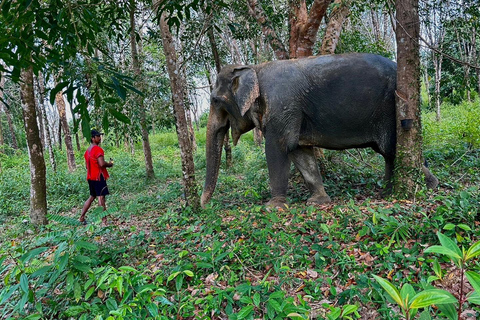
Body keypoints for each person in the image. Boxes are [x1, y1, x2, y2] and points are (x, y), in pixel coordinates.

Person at [79, 129, 114, 225]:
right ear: (92, 138)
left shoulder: (87, 151)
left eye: (100, 136)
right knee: (101, 198)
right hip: (98, 177)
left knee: (91, 197)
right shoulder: (98, 149)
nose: (100, 138)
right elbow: (102, 164)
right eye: (98, 136)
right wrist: (110, 164)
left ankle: (81, 217)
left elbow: (87, 166)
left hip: (90, 178)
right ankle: (104, 221)